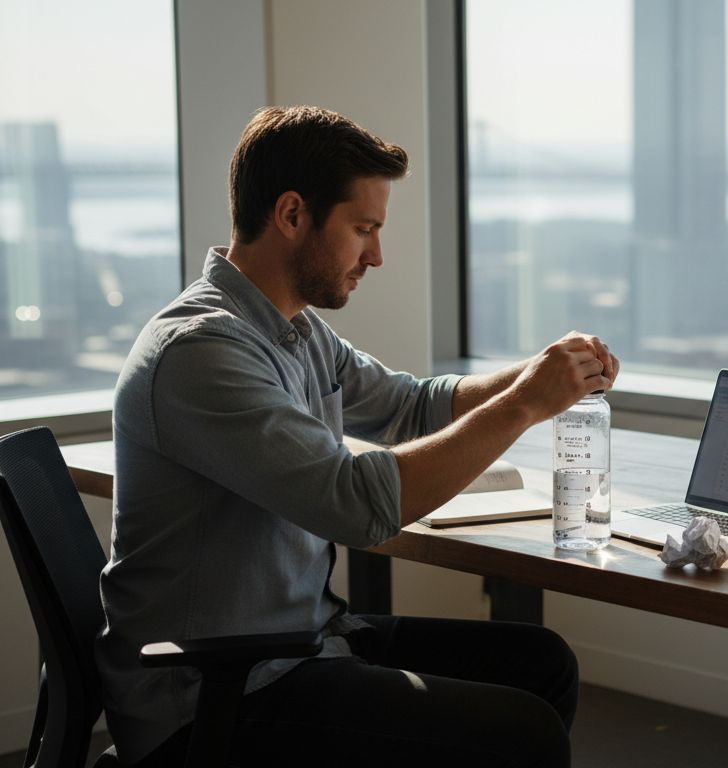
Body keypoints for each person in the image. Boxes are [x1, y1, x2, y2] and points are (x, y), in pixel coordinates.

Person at [96, 105, 617, 767]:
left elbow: (412, 405)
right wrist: (523, 406)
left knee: (542, 664)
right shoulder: (202, 351)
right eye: (362, 228)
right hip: (213, 693)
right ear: (291, 215)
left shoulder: (296, 329)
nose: (376, 255)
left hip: (299, 645)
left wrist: (547, 374)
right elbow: (356, 505)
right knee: (522, 732)